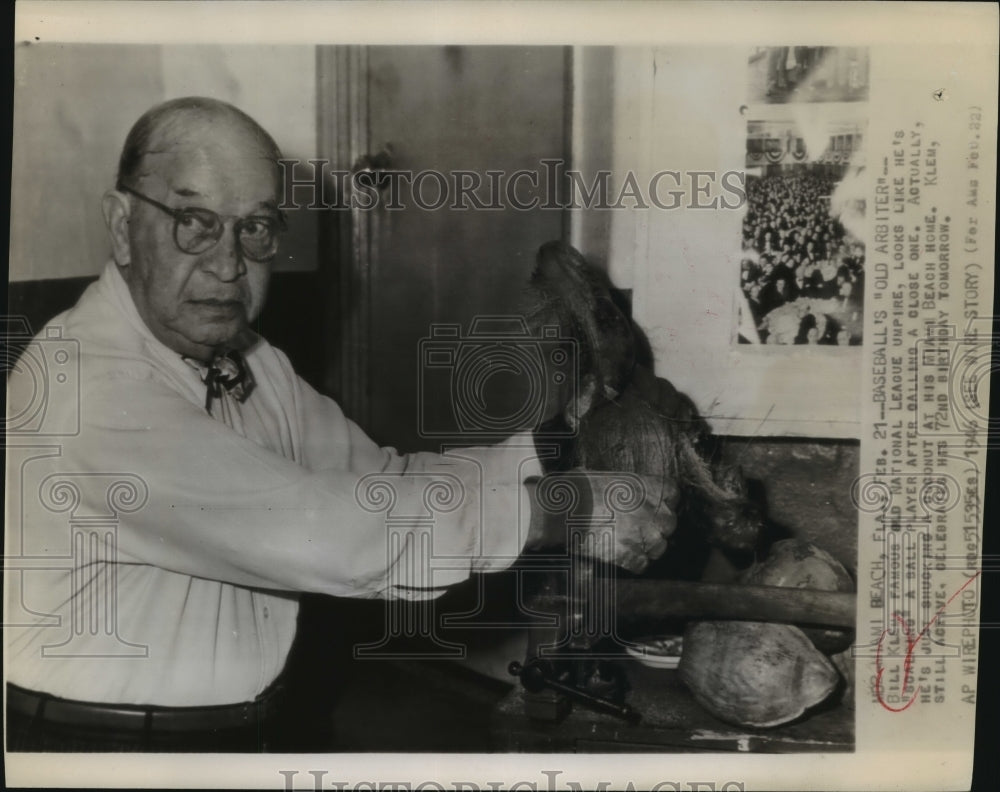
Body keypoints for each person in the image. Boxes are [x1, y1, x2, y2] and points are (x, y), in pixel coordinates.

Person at [5, 97, 677, 752]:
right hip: (101, 751)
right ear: (122, 225)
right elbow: (331, 532)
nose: (228, 262)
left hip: (239, 732)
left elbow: (381, 481)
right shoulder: (90, 389)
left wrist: (558, 443)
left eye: (256, 227)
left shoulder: (248, 359)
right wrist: (558, 512)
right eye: (194, 221)